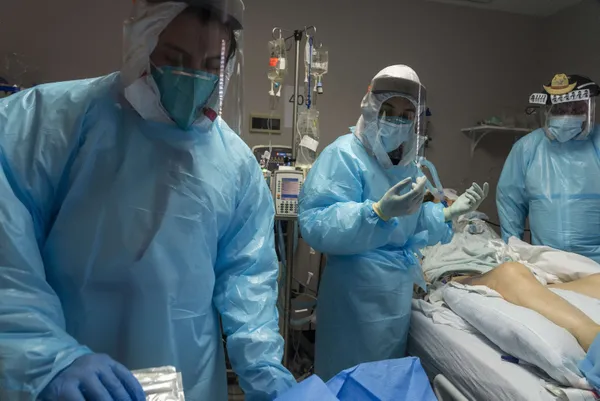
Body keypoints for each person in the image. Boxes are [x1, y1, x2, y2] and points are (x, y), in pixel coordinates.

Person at [0, 1, 295, 400]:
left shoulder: (236, 165)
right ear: (141, 44)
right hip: (74, 380)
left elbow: (249, 282)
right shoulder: (53, 121)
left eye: (211, 65)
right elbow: (7, 251)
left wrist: (268, 376)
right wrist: (46, 357)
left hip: (187, 377)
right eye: (175, 59)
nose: (194, 77)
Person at [298, 65, 489, 381]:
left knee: (384, 381)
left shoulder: (408, 165)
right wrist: (375, 213)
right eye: (389, 111)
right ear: (371, 108)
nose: (397, 121)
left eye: (406, 115)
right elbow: (317, 223)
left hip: (395, 295)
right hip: (353, 294)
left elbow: (409, 222)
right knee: (345, 381)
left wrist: (447, 214)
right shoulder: (343, 155)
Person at [497, 73, 600, 263]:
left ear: (588, 108)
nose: (566, 114)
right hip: (546, 262)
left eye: (575, 108)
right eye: (559, 109)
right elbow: (510, 203)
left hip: (596, 262)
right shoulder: (527, 148)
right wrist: (512, 252)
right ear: (548, 110)